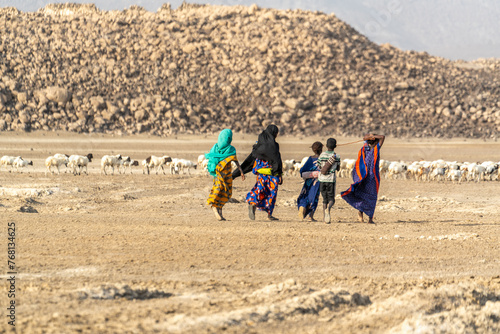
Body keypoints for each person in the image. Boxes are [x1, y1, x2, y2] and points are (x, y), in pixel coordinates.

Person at [233, 124, 283, 221]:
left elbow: (252, 158)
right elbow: (277, 160)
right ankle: (269, 214)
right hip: (272, 173)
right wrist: (279, 174)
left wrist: (239, 171)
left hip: (261, 172)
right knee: (271, 192)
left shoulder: (258, 144)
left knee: (260, 188)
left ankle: (253, 203)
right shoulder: (274, 145)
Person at [341, 133, 385, 224]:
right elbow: (382, 137)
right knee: (372, 196)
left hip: (363, 176)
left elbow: (365, 138)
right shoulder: (375, 149)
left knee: (361, 194)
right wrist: (373, 136)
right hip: (371, 177)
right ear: (375, 141)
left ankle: (361, 216)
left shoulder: (364, 149)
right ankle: (369, 219)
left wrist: (370, 136)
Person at [205, 129, 245, 221]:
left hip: (226, 176)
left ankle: (220, 212)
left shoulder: (228, 149)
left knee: (226, 192)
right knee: (218, 189)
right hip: (219, 175)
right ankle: (214, 206)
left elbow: (235, 160)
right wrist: (241, 171)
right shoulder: (216, 148)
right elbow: (212, 160)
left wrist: (241, 171)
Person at [316, 138, 341, 224]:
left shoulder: (322, 155)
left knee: (324, 199)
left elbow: (318, 166)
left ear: (326, 146)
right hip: (331, 180)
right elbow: (338, 168)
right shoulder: (337, 156)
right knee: (331, 199)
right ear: (335, 146)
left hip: (322, 179)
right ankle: (328, 209)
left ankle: (324, 218)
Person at [297, 141, 323, 221]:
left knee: (306, 195)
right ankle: (310, 216)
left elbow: (302, 170)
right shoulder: (322, 159)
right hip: (317, 182)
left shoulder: (310, 159)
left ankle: (302, 207)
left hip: (308, 181)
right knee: (314, 197)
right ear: (321, 149)